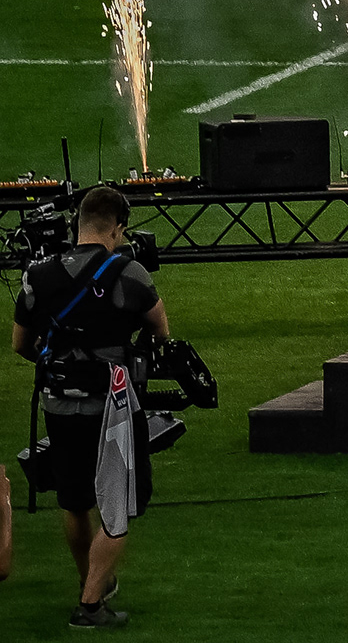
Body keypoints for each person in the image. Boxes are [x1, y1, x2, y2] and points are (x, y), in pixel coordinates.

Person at [15, 187, 164, 628]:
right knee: (117, 507)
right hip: (112, 410)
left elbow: (20, 344)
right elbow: (160, 330)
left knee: (75, 501)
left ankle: (90, 581)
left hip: (58, 405)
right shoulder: (130, 272)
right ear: (118, 227)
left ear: (77, 224)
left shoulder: (37, 274)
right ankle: (91, 604)